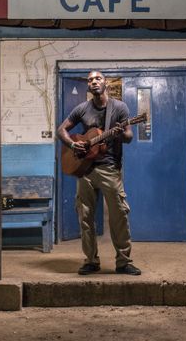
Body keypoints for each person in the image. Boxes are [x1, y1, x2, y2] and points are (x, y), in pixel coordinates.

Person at [56, 70, 141, 276]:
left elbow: (129, 136)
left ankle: (123, 261)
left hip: (109, 168)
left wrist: (120, 134)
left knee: (119, 214)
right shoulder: (82, 109)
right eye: (90, 80)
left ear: (106, 84)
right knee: (85, 217)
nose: (94, 82)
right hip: (85, 170)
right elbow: (61, 130)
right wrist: (73, 144)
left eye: (98, 79)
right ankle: (91, 261)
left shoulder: (119, 108)